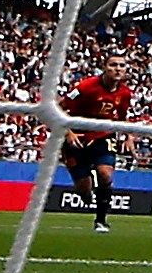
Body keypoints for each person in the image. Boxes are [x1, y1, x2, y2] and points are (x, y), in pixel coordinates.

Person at [58, 47, 135, 233]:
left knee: (106, 174)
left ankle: (101, 220)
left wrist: (129, 136)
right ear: (104, 67)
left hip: (103, 137)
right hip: (77, 139)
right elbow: (59, 107)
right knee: (84, 189)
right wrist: (68, 132)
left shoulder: (125, 93)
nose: (118, 69)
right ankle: (86, 193)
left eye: (122, 66)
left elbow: (123, 117)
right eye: (113, 65)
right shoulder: (85, 87)